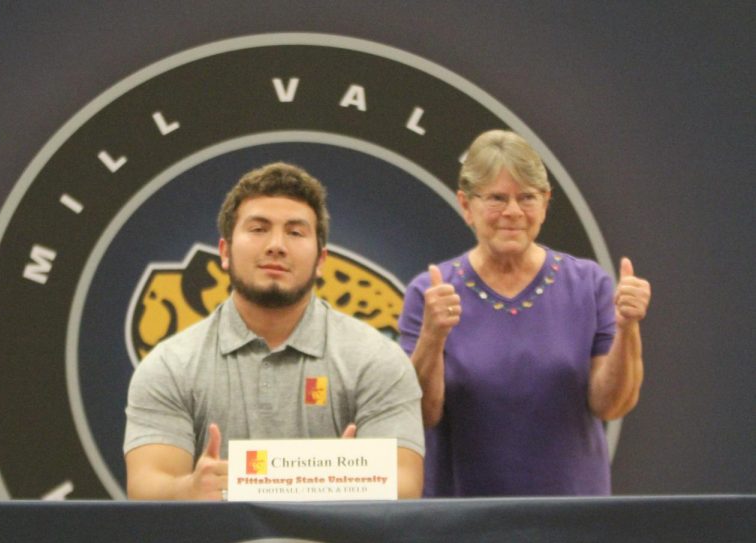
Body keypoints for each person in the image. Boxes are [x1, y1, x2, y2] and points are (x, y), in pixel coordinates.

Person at [124, 162, 425, 500]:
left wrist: (343, 479)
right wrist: (190, 490)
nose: (276, 245)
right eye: (258, 229)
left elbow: (405, 485)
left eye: (295, 232)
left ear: (321, 260)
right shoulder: (170, 365)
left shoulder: (378, 359)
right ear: (224, 252)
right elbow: (148, 488)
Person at [398, 130, 651, 496]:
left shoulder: (589, 283)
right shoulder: (430, 292)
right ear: (466, 205)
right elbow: (422, 416)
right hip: (462, 523)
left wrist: (628, 327)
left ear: (546, 203)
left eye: (527, 198)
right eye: (497, 198)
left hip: (571, 517)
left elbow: (612, 404)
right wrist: (433, 335)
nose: (513, 212)